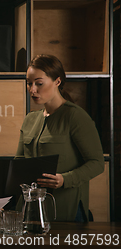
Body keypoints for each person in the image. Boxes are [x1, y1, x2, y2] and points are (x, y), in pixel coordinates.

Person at [16, 54, 104, 222]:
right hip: (29, 211)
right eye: (29, 83)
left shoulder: (76, 116)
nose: (32, 89)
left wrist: (65, 179)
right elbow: (19, 161)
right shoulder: (30, 119)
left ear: (57, 81)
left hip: (65, 210)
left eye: (39, 83)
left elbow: (97, 163)